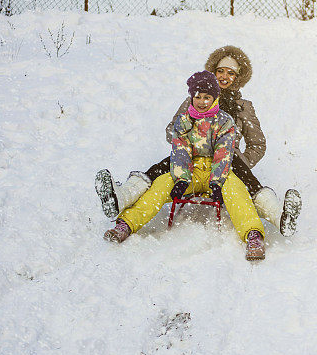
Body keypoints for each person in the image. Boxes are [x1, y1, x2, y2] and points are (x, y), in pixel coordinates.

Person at [95, 45, 301, 236]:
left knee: (250, 184)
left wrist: (242, 160)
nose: (225, 76)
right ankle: (121, 198)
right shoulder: (197, 96)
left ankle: (280, 217)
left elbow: (258, 144)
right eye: (221, 71)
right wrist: (188, 139)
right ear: (214, 71)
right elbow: (172, 129)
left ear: (238, 78)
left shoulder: (243, 106)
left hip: (227, 158)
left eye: (231, 73)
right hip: (191, 154)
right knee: (157, 171)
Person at [104, 70, 267, 261]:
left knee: (236, 191)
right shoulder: (184, 121)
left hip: (219, 171)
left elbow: (224, 153)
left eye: (207, 97)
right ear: (192, 96)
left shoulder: (225, 121)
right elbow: (180, 152)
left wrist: (217, 181)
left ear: (215, 98)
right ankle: (126, 224)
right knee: (161, 184)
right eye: (198, 96)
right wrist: (181, 179)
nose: (202, 101)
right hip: (191, 170)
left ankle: (253, 235)